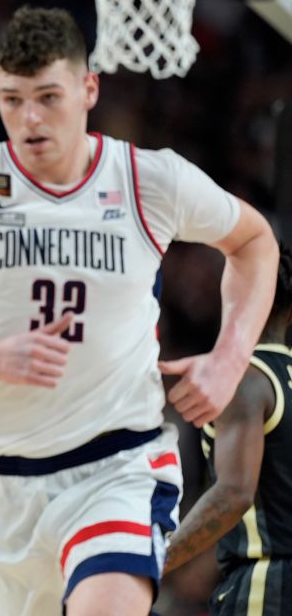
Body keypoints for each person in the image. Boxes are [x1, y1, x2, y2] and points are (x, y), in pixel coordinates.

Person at [0, 6, 278, 616]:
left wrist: (230, 359)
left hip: (116, 467)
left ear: (88, 88)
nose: (29, 119)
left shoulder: (147, 179)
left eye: (48, 96)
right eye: (13, 99)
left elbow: (255, 241)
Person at [164, 246, 292, 614]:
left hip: (268, 582)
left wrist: (156, 560)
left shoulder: (245, 380)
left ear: (234, 294)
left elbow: (234, 493)